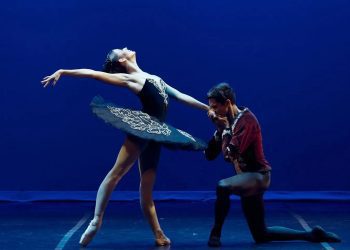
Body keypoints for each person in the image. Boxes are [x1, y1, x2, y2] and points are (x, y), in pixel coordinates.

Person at [41, 47, 208, 247]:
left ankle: (158, 234)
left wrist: (207, 108)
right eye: (122, 49)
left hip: (157, 135)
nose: (126, 48)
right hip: (143, 128)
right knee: (116, 173)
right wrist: (63, 71)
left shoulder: (154, 77)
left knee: (146, 189)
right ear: (121, 59)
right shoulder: (131, 79)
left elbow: (180, 96)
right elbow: (94, 74)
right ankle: (96, 219)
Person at [204, 82, 341, 247]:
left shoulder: (247, 121)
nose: (212, 111)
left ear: (227, 103)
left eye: (215, 107)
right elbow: (209, 155)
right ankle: (311, 234)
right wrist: (220, 131)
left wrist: (224, 130)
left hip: (258, 177)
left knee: (223, 186)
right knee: (261, 235)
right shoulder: (227, 122)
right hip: (245, 178)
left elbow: (228, 155)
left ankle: (215, 233)